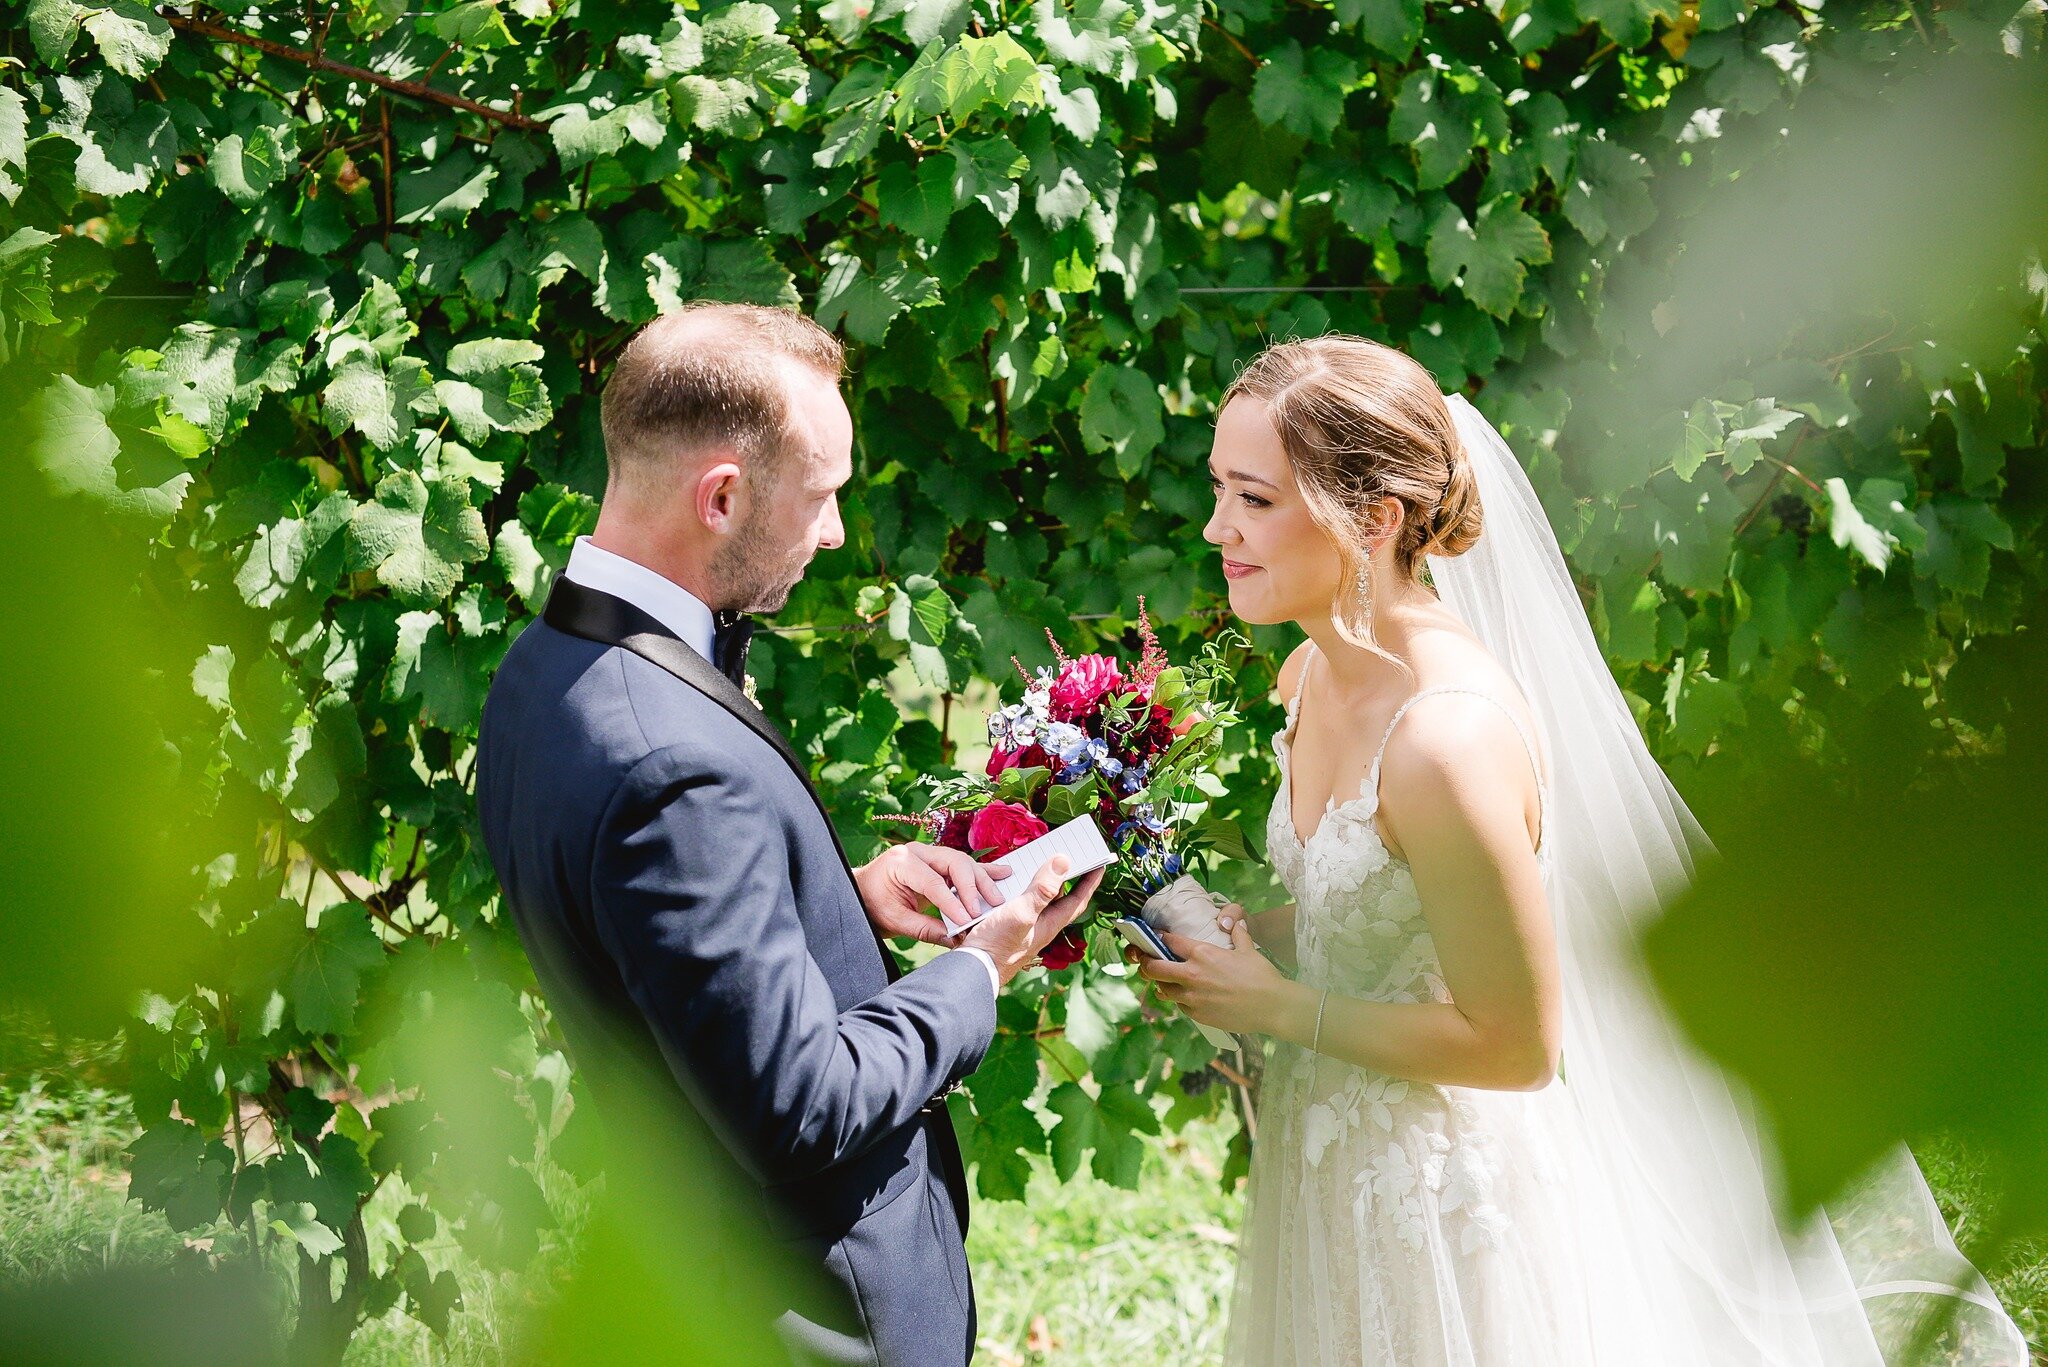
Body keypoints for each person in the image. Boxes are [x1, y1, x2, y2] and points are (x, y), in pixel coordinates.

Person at [1135, 335, 2027, 1365]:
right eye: (1218, 490)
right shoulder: (1307, 674)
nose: (1216, 529)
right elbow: (1386, 902)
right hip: (1332, 1147)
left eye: (1252, 499)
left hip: (1445, 1191)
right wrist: (1248, 939)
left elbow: (1516, 1045)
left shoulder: (1444, 738)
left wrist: (1278, 1006)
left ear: (1373, 519)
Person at [475, 302, 1101, 1365]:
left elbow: (647, 941)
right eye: (821, 498)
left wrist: (839, 897)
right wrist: (981, 971)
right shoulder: (672, 762)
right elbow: (798, 1110)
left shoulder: (546, 667)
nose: (835, 532)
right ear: (721, 496)